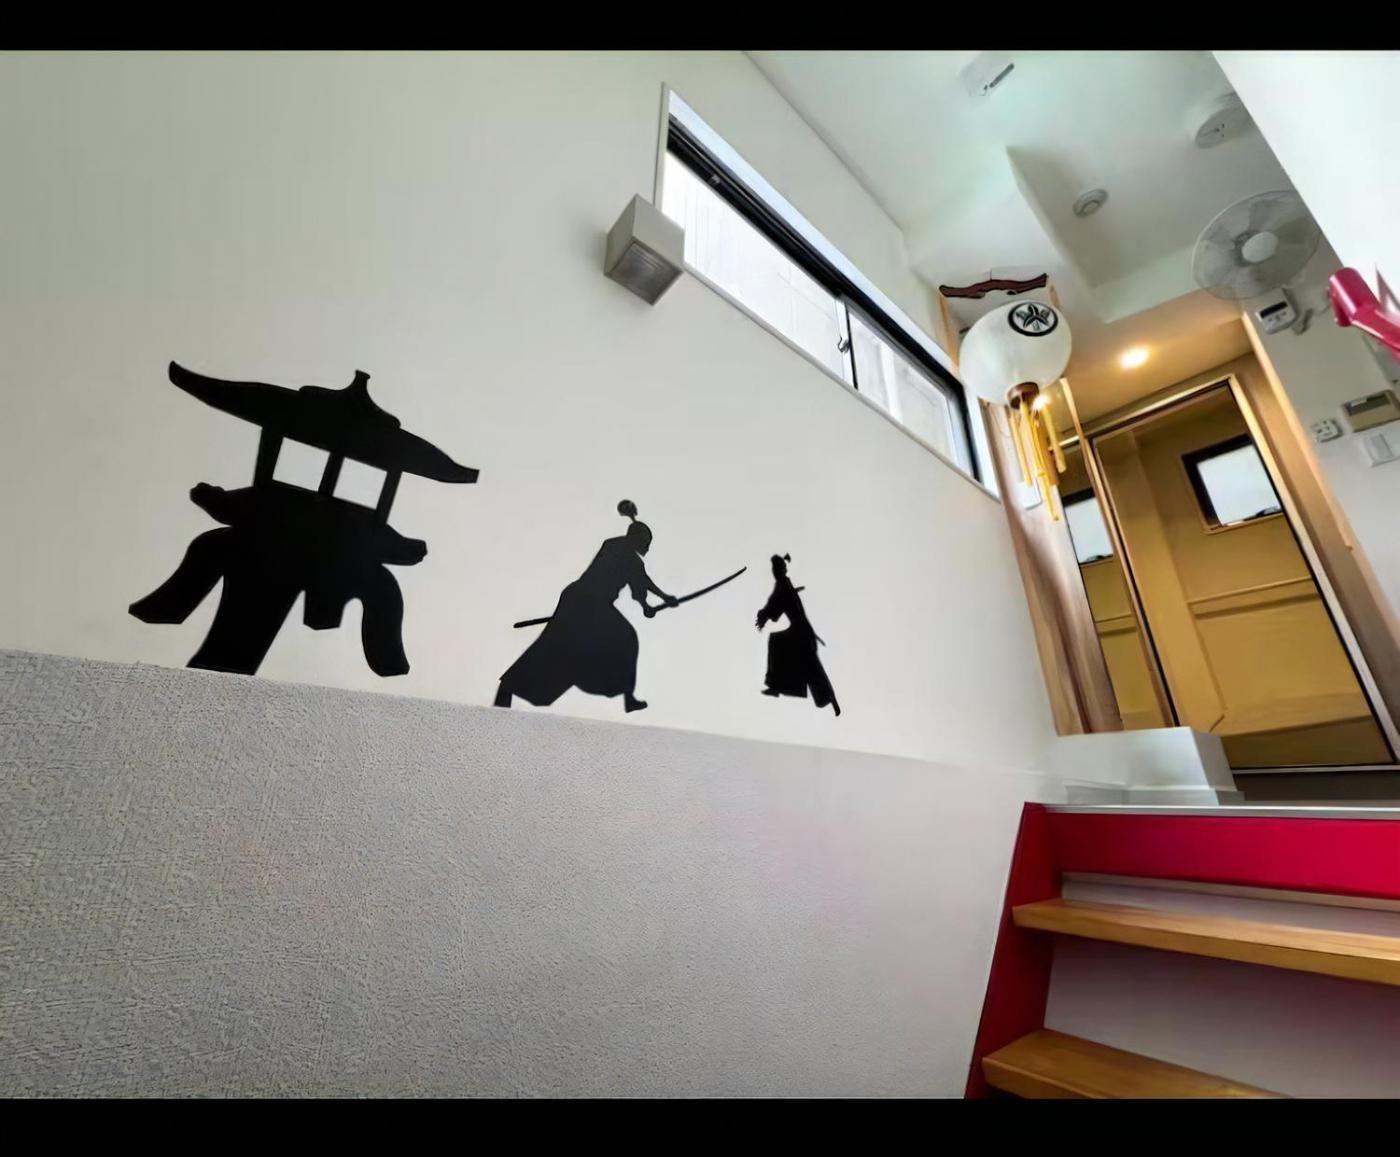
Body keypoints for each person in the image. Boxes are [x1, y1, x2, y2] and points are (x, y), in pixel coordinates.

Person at [495, 500, 677, 713]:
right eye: (646, 541)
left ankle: (508, 688)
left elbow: (638, 584)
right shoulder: (621, 552)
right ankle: (627, 697)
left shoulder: (616, 548)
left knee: (560, 648)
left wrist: (647, 604)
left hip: (583, 603)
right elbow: (642, 581)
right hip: (588, 603)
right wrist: (662, 599)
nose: (647, 547)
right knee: (623, 638)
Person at [755, 553, 840, 716]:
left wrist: (763, 614)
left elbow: (775, 603)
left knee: (778, 644)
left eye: (776, 568)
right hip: (802, 631)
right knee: (811, 666)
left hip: (800, 632)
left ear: (781, 569)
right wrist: (764, 614)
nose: (774, 571)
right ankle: (830, 698)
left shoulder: (783, 585)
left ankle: (776, 686)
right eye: (774, 569)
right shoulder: (784, 584)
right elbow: (776, 603)